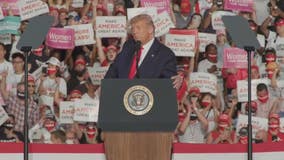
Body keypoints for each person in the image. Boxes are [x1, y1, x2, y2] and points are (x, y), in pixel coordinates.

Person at [104, 14, 181, 88]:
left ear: (150, 29)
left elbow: (168, 85)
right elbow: (114, 70)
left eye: (138, 28)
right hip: (120, 96)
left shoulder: (165, 54)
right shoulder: (128, 45)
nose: (134, 31)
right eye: (132, 28)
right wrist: (105, 86)